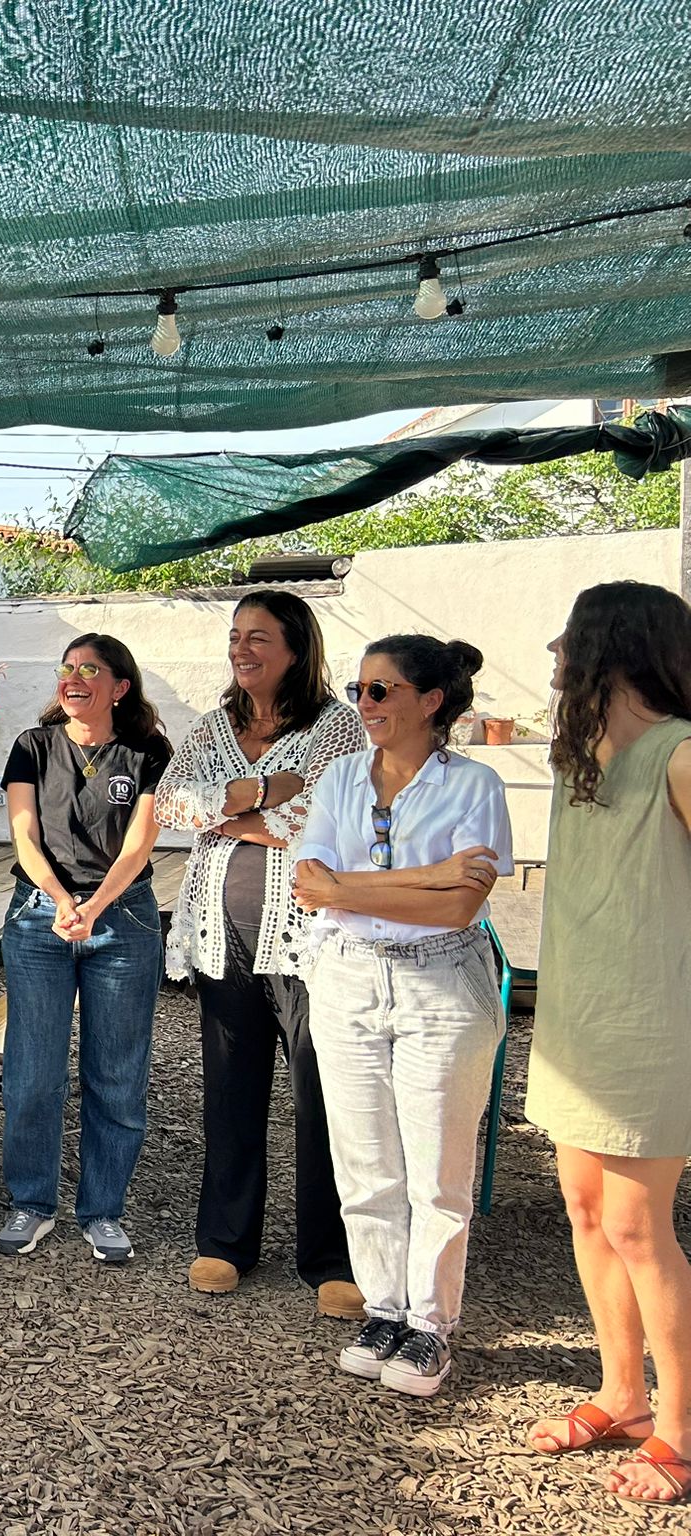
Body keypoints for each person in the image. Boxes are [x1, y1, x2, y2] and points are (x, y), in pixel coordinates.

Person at [290, 636, 512, 1397]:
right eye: (359, 690)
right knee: (364, 1165)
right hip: (348, 978)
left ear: (431, 701)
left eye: (381, 690)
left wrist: (349, 890)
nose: (365, 704)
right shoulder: (340, 777)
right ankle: (383, 1310)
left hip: (441, 982)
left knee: (437, 1172)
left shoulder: (475, 785)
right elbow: (308, 885)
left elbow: (460, 906)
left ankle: (429, 1326)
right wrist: (431, 874)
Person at [519, 582, 691, 1507]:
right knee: (586, 1212)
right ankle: (623, 1398)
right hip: (578, 1020)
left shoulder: (682, 754)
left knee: (637, 1227)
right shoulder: (578, 757)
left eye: (569, 636)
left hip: (654, 1024)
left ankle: (682, 1431)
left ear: (613, 648)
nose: (555, 650)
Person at [153, 589, 365, 1317]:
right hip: (222, 934)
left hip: (307, 941)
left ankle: (332, 1258)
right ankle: (225, 1241)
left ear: (297, 649)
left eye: (259, 637)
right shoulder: (215, 724)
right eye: (236, 636)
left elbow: (323, 819)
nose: (241, 649)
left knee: (320, 1099)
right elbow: (171, 803)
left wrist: (225, 812)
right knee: (229, 1093)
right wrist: (267, 789)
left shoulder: (336, 726)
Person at [0, 634, 171, 1265]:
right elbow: (23, 834)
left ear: (119, 687)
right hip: (40, 917)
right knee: (32, 1074)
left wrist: (92, 907)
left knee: (116, 1076)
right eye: (67, 667)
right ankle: (31, 1202)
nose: (73, 677)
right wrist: (60, 899)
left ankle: (102, 1211)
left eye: (89, 669)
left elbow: (140, 844)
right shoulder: (32, 746)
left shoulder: (148, 751)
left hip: (122, 919)